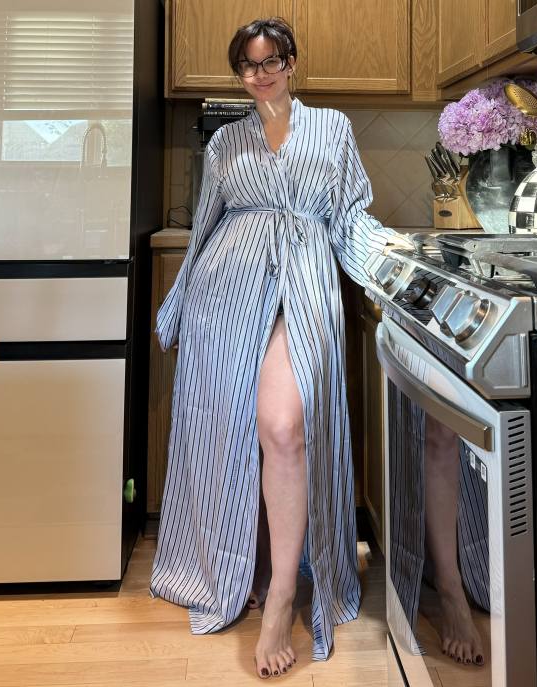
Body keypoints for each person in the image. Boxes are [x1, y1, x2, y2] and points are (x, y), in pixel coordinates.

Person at [149, 16, 411, 680]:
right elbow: (205, 225)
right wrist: (177, 306)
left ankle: (285, 594)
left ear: (291, 63)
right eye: (247, 65)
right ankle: (257, 566)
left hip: (305, 284)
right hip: (227, 294)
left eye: (270, 62)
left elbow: (349, 214)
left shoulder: (333, 128)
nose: (259, 74)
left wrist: (393, 262)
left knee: (284, 425)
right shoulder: (226, 142)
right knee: (238, 435)